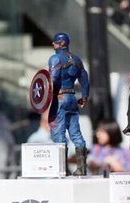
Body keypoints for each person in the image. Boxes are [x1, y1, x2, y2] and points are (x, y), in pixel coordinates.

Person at [48, 32, 90, 176]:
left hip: (59, 97)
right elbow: (84, 79)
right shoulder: (77, 60)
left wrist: (48, 94)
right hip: (72, 97)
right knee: (76, 133)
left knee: (58, 133)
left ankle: (62, 169)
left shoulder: (55, 58)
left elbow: (53, 79)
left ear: (61, 43)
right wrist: (84, 97)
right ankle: (82, 168)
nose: (53, 44)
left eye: (55, 42)